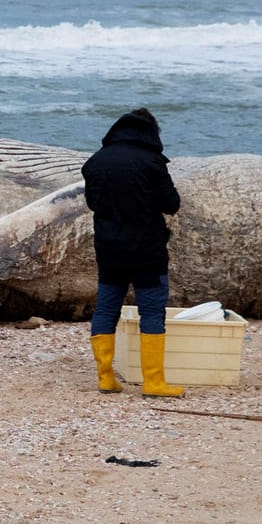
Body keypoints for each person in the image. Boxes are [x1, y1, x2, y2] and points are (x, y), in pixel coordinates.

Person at [82, 107, 185, 398]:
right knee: (151, 310)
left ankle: (106, 377)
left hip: (109, 248)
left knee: (106, 308)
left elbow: (93, 203)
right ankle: (154, 382)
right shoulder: (153, 162)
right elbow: (171, 204)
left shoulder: (96, 163)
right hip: (147, 250)